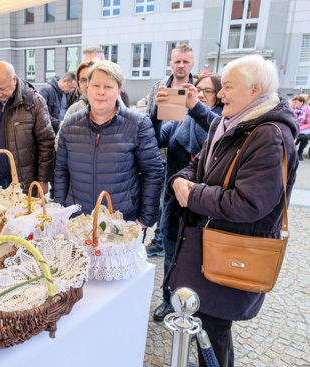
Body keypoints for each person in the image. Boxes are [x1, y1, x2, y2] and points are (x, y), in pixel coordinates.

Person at [165, 55, 299, 367]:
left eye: (227, 86)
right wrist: (180, 181)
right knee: (205, 327)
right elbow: (197, 165)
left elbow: (249, 203)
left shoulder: (269, 135)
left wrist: (193, 194)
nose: (220, 94)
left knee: (212, 331)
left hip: (227, 254)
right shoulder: (224, 123)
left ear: (255, 90)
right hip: (204, 248)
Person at [150, 73, 224, 322]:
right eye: (198, 89)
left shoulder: (224, 121)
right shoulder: (182, 119)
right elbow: (156, 137)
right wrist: (157, 111)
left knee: (199, 264)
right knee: (171, 256)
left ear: (220, 94)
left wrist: (195, 107)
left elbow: (216, 132)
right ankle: (167, 301)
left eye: (208, 91)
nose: (201, 94)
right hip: (174, 203)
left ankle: (196, 310)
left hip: (205, 209)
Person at [54, 60, 163, 225]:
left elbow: (152, 173)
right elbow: (61, 171)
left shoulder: (138, 124)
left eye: (108, 87)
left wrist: (145, 220)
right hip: (78, 220)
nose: (101, 92)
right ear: (87, 88)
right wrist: (60, 211)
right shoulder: (70, 125)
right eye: (95, 85)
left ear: (119, 90)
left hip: (121, 219)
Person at [0, 61, 55, 195]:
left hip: (24, 181)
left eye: (2, 89)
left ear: (14, 79)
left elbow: (46, 143)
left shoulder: (34, 102)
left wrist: (43, 180)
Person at [145, 44, 195, 257]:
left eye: (185, 61)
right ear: (171, 63)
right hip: (159, 153)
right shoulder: (159, 87)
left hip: (184, 158)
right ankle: (157, 240)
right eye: (177, 61)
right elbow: (149, 121)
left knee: (172, 202)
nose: (181, 66)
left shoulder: (198, 87)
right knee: (154, 199)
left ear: (192, 63)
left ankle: (165, 241)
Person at [293, 95, 310, 161]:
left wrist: (299, 128)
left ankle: (300, 152)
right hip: (291, 127)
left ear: (301, 102)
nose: (293, 104)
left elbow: (309, 124)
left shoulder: (307, 110)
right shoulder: (289, 108)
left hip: (302, 129)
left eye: (296, 102)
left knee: (305, 137)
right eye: (293, 102)